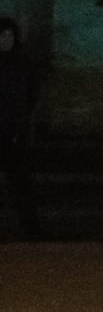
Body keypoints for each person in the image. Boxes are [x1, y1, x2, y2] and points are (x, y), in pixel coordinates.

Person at [0, 18, 37, 240]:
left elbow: (31, 94)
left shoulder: (22, 64)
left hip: (14, 133)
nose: (6, 40)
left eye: (9, 36)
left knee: (21, 182)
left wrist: (21, 121)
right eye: (2, 36)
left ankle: (31, 228)